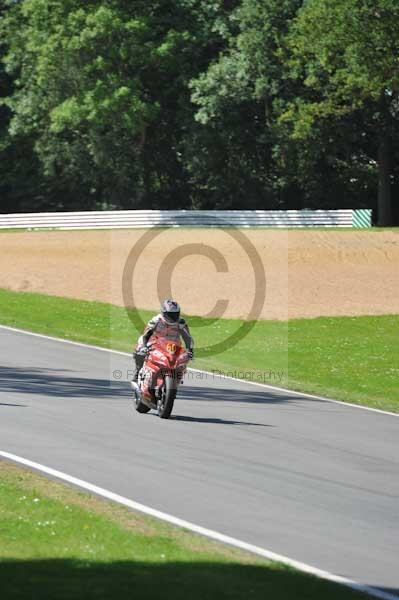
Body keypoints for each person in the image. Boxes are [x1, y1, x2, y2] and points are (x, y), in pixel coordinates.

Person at [132, 299, 194, 383]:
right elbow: (146, 334)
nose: (173, 317)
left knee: (184, 358)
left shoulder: (181, 322)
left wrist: (190, 350)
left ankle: (177, 377)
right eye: (170, 314)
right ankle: (138, 370)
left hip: (174, 346)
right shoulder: (156, 320)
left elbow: (188, 338)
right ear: (164, 312)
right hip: (157, 343)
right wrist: (144, 347)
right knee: (140, 343)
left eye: (175, 314)